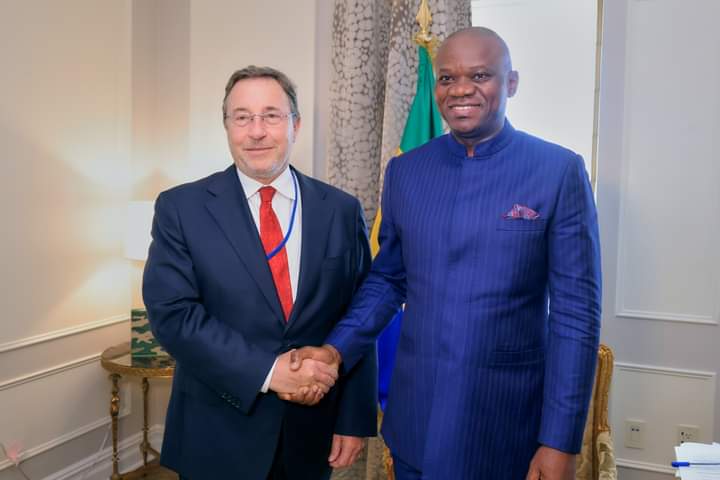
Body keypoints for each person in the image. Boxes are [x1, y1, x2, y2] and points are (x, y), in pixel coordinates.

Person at [290, 27, 602, 480]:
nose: (460, 90)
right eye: (448, 78)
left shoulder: (558, 171)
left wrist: (560, 441)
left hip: (508, 426)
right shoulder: (405, 171)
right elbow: (388, 280)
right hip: (416, 420)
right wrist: (335, 350)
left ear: (511, 83)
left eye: (480, 76)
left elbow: (577, 316)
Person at [142, 65, 377, 480]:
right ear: (227, 126)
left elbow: (359, 315)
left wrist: (353, 419)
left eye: (271, 115)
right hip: (217, 433)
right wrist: (270, 372)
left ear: (295, 125)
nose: (256, 131)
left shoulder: (341, 210)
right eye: (242, 117)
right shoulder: (181, 208)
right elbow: (174, 315)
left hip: (311, 432)